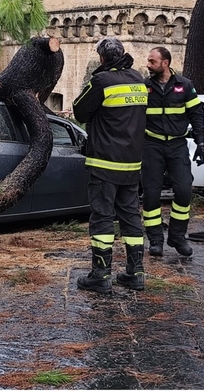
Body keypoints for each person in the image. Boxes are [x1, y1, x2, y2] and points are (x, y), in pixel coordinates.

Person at [73, 37, 148, 293]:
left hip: (104, 162)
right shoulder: (138, 79)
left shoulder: (102, 81)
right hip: (132, 163)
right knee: (131, 216)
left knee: (102, 217)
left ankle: (101, 275)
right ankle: (135, 273)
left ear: (102, 58)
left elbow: (79, 111)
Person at [141, 46, 204, 257]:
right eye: (148, 61)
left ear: (165, 63)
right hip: (152, 145)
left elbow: (196, 114)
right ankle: (155, 239)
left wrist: (200, 142)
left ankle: (177, 236)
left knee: (184, 191)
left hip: (177, 146)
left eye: (152, 61)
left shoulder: (184, 85)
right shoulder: (144, 87)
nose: (148, 65)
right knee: (151, 194)